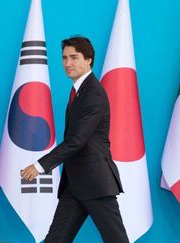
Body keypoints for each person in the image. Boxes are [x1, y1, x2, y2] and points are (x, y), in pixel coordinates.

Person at [21, 36, 129, 243]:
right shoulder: (80, 91)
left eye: (74, 57)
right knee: (55, 239)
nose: (67, 63)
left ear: (89, 60)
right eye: (64, 58)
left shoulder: (93, 94)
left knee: (116, 240)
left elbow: (77, 140)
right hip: (74, 183)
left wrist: (40, 165)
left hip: (95, 181)